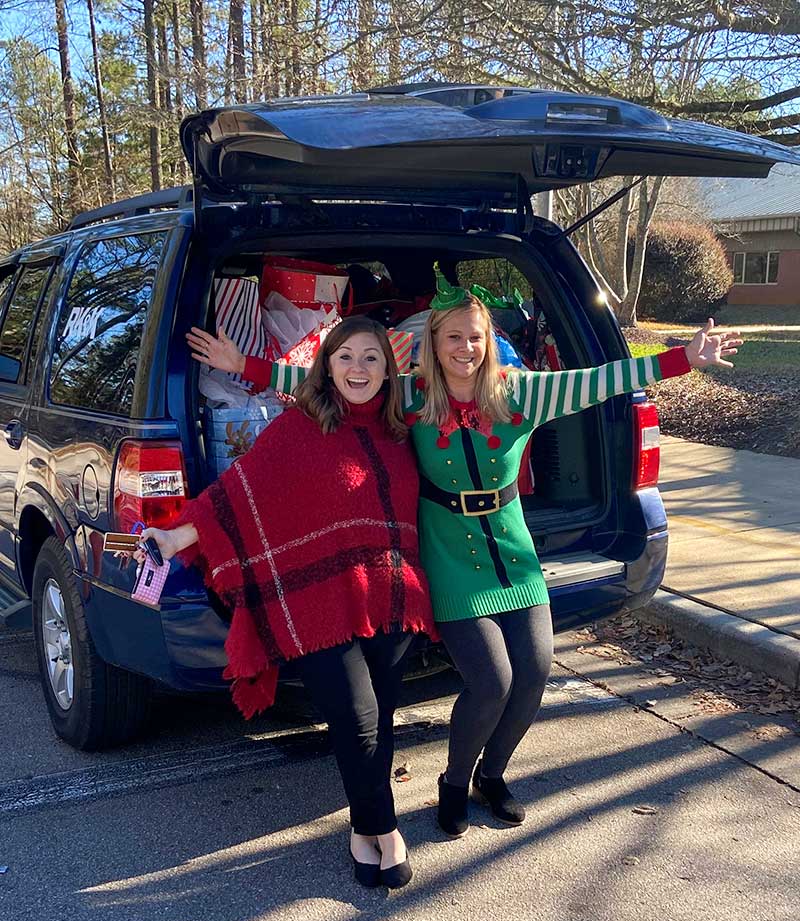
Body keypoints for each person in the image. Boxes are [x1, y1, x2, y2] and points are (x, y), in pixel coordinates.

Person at [186, 276, 743, 839]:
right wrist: (245, 365)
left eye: (474, 337)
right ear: (434, 342)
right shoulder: (411, 394)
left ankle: (491, 775)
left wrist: (681, 360)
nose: (464, 348)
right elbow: (331, 380)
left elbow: (600, 381)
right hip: (448, 557)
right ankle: (453, 783)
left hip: (512, 552)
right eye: (452, 337)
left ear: (487, 340)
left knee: (535, 674)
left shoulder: (522, 391)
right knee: (493, 680)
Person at [140, 317, 436, 889]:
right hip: (315, 599)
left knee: (379, 713)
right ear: (326, 367)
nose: (358, 369)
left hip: (392, 597)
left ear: (390, 369)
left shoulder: (407, 430)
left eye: (371, 358)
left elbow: (475, 400)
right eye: (345, 356)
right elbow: (234, 493)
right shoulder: (298, 430)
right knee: (359, 718)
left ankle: (360, 830)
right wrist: (176, 536)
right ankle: (386, 827)